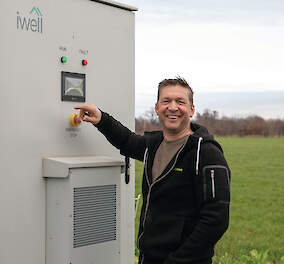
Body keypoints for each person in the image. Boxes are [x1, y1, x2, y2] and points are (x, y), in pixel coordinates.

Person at [74, 77, 230, 264]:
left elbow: (216, 220)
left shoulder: (206, 153)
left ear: (191, 110)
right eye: (166, 101)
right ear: (157, 108)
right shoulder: (153, 145)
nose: (172, 107)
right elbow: (127, 140)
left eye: (180, 102)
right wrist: (101, 119)